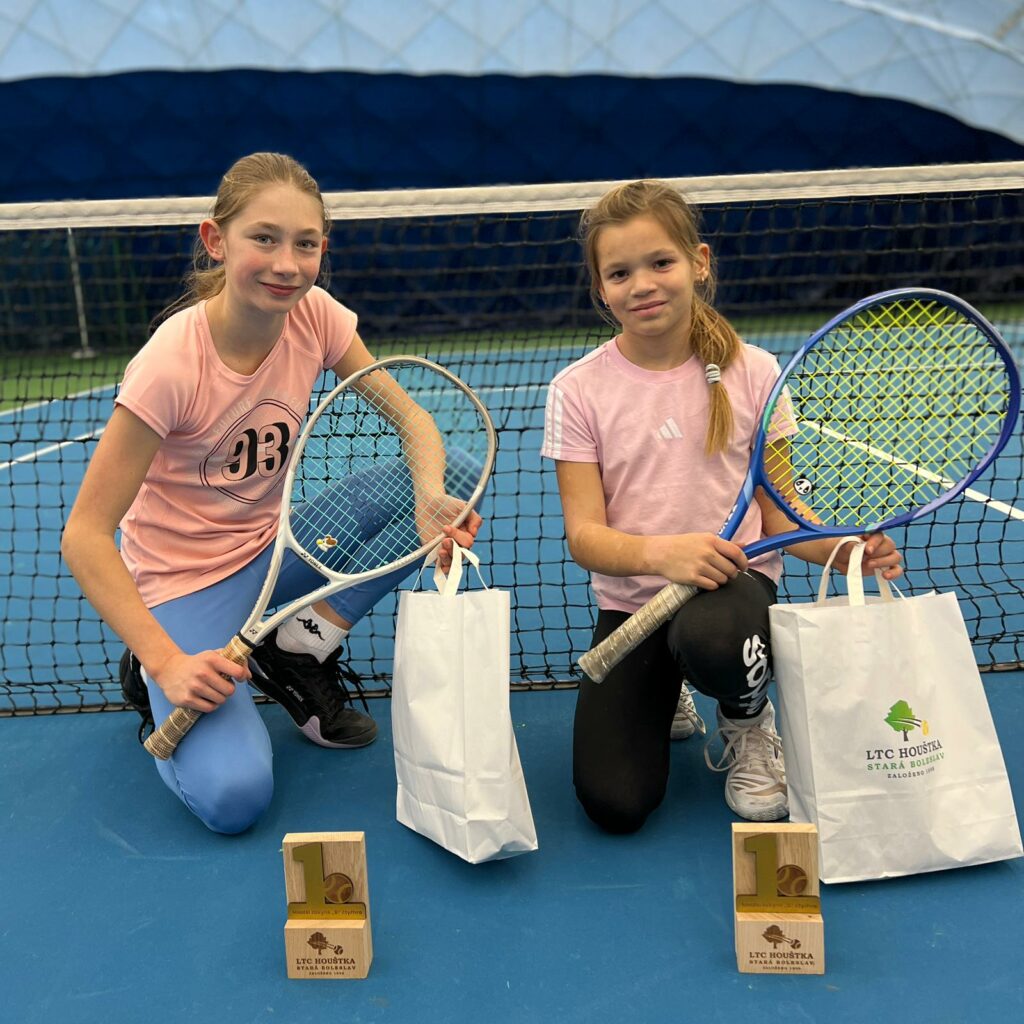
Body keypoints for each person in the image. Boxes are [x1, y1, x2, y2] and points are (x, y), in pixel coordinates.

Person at [62, 152, 482, 834]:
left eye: (305, 244)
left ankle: (299, 647)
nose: (286, 264)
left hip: (276, 548)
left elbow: (412, 418)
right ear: (216, 240)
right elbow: (84, 535)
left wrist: (430, 495)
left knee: (458, 477)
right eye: (264, 238)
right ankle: (144, 668)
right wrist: (168, 662)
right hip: (184, 586)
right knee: (235, 798)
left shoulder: (314, 317)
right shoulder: (169, 365)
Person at [541, 179, 901, 832]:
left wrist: (846, 549)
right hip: (635, 607)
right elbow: (585, 536)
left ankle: (747, 717)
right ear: (601, 289)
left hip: (734, 596)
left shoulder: (756, 372)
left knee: (715, 637)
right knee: (615, 804)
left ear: (698, 262)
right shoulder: (577, 390)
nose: (642, 284)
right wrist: (663, 554)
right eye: (620, 273)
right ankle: (670, 686)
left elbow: (781, 518)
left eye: (661, 262)